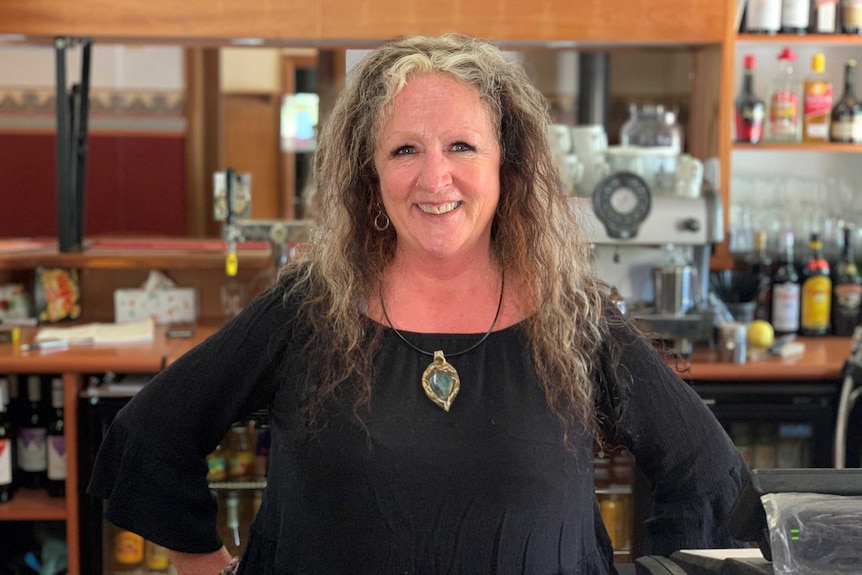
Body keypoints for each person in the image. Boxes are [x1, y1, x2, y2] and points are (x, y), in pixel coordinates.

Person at [88, 33, 750, 575]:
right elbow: (150, 436)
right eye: (405, 149)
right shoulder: (308, 307)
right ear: (371, 178)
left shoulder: (573, 315)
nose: (435, 178)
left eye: (461, 146)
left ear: (506, 167)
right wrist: (205, 564)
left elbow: (709, 473)